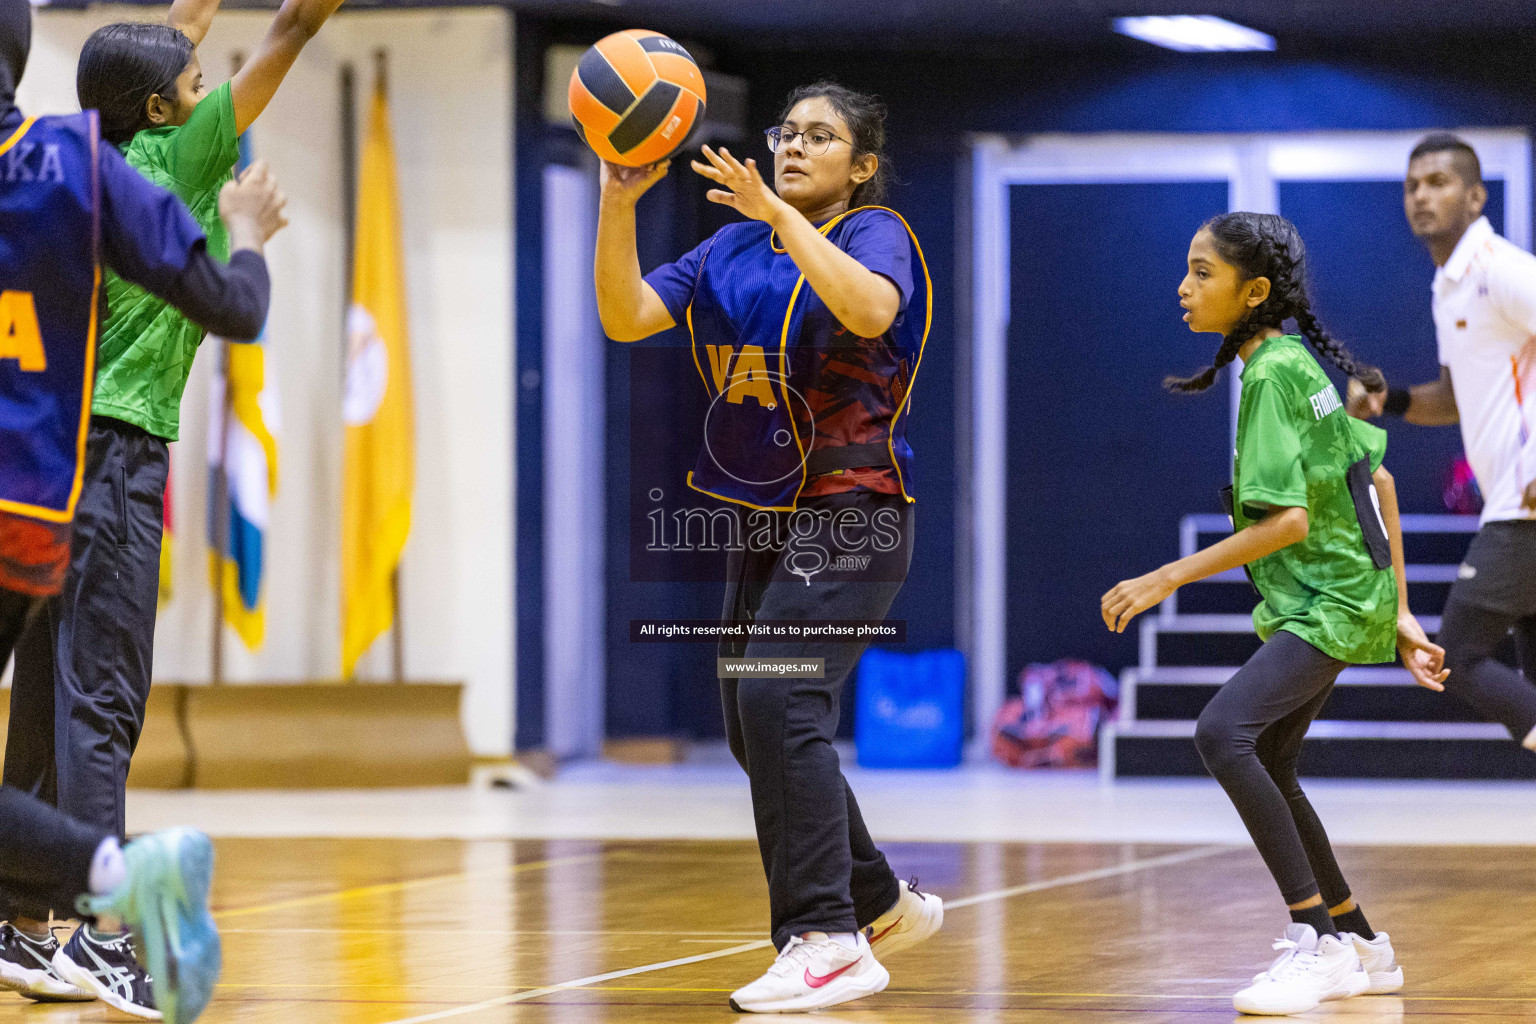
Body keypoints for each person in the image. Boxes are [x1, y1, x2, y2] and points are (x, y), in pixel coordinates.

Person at [4, 0, 341, 1008]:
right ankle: (102, 935)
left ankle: (22, 919)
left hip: (38, 461)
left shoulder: (64, 159)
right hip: (115, 456)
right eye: (195, 85)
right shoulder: (176, 156)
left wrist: (179, 29)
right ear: (163, 109)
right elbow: (290, 32)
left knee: (40, 700)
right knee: (102, 700)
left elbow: (166, 38)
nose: (210, 95)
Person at [592, 81, 942, 1013]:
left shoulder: (877, 233)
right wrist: (617, 202)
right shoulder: (730, 243)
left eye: (820, 137)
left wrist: (784, 217)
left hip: (856, 506)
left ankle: (826, 937)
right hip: (770, 512)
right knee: (755, 721)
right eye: (787, 133)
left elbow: (869, 311)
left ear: (859, 167)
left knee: (783, 693)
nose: (793, 146)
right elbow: (625, 314)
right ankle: (876, 900)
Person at [1101, 212, 1449, 1017]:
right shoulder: (1299, 365)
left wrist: (1164, 577)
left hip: (1327, 601)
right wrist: (1397, 612)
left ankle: (1316, 942)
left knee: (1222, 734)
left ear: (1253, 291)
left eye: (1201, 272)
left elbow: (1287, 522)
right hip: (1347, 595)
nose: (1183, 288)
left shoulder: (1270, 376)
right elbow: (1378, 484)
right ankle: (1358, 940)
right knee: (1272, 759)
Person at [1347, 133, 1536, 759]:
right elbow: (1453, 398)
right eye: (1412, 185)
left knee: (1458, 650)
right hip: (1510, 504)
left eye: (1439, 182)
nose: (1422, 195)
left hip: (1524, 507)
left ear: (1476, 196)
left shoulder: (1500, 269)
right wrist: (1392, 401)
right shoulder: (1448, 286)